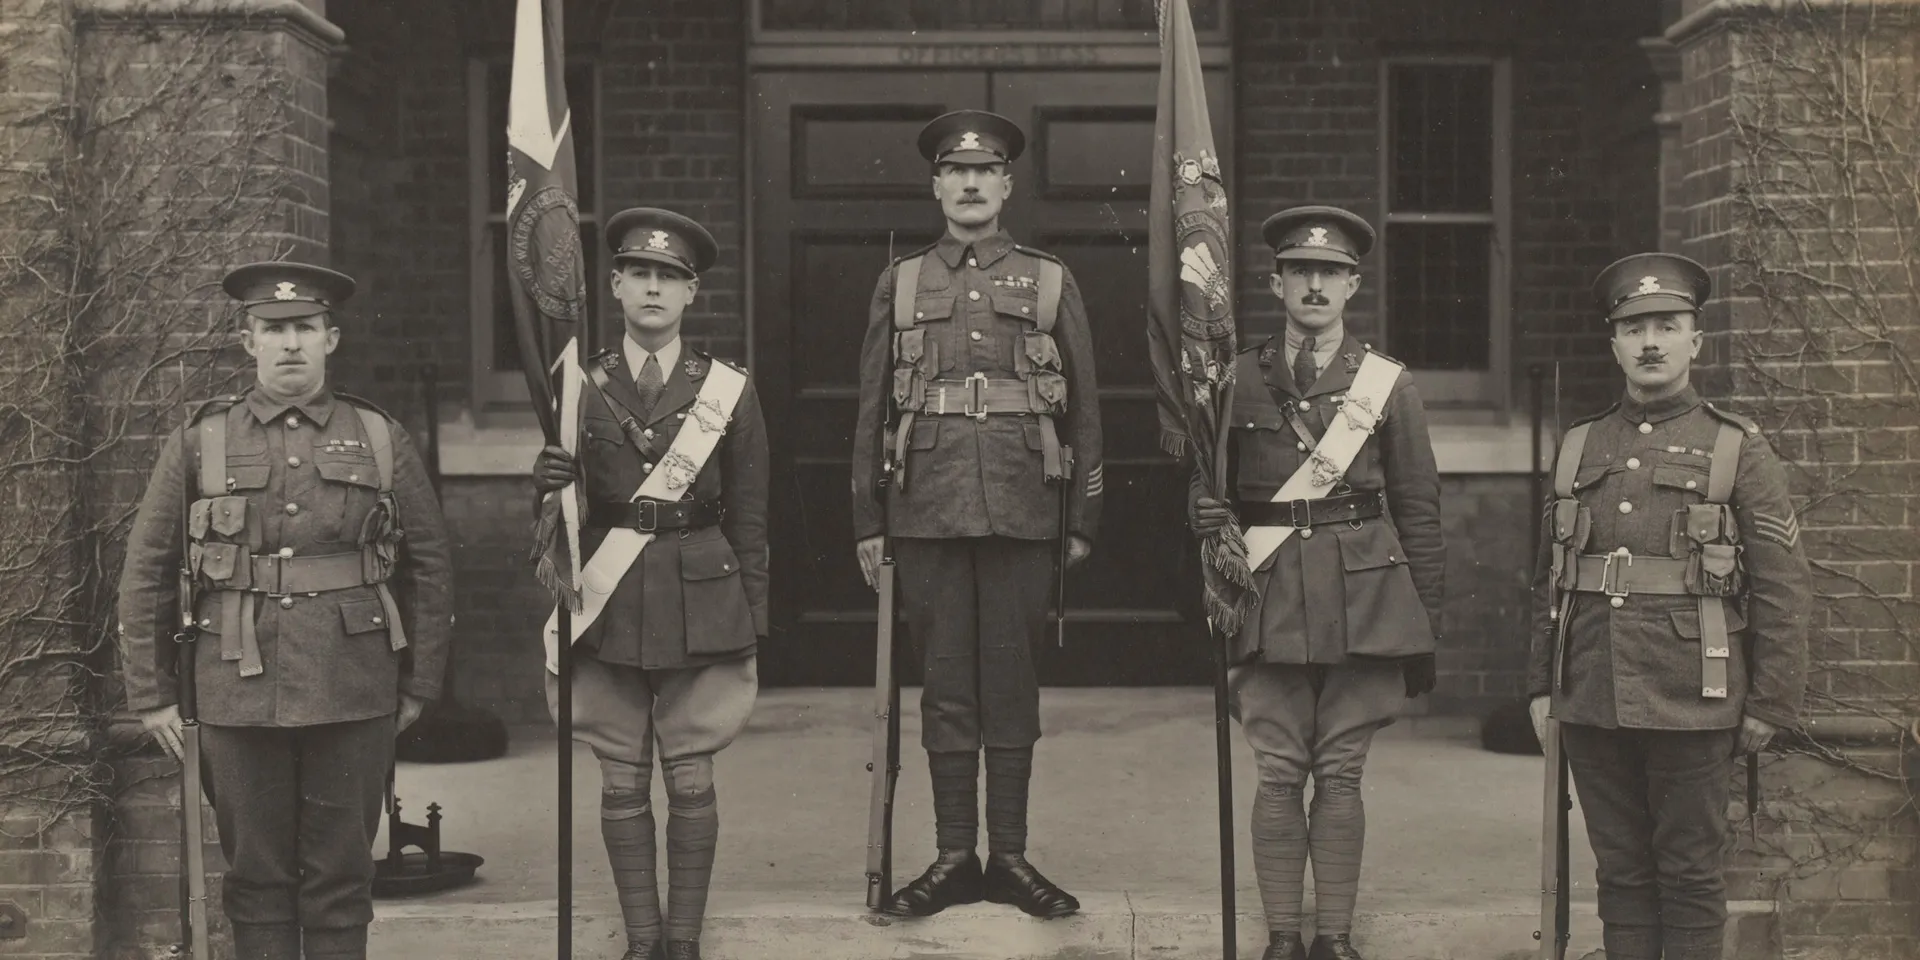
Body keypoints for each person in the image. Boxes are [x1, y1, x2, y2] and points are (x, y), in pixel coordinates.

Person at [116, 261, 453, 960]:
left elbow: (430, 566)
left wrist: (419, 683)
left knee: (341, 876)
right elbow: (147, 571)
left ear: (332, 337)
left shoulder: (379, 437)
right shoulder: (202, 442)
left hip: (353, 682)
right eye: (274, 329)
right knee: (256, 879)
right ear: (248, 342)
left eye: (305, 327)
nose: (290, 342)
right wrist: (151, 696)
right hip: (235, 692)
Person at [849, 109, 1104, 919]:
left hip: (1026, 506)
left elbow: (1088, 411)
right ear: (935, 186)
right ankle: (955, 856)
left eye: (983, 172)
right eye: (954, 173)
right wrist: (867, 518)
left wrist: (1082, 520)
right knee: (945, 686)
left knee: (1013, 687)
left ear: (1005, 185)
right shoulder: (903, 282)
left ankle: (1013, 859)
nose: (968, 184)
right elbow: (870, 410)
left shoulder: (1050, 279)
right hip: (925, 506)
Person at [1526, 252, 1811, 960]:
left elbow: (1782, 582)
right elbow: (1552, 579)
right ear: (1613, 343)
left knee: (1689, 873)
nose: (1650, 341)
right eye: (1634, 327)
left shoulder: (1734, 446)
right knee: (1619, 871)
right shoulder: (1578, 446)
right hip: (1591, 689)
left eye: (1667, 325)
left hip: (1695, 692)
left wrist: (1771, 701)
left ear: (1695, 340)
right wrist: (1541, 684)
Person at [1190, 206, 1445, 960]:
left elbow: (1420, 511)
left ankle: (1332, 936)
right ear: (1276, 282)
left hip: (1364, 596)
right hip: (1265, 597)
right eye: (1300, 270)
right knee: (1276, 770)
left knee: (1340, 771)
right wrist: (1201, 509)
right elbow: (1212, 492)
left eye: (1329, 272)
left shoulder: (1387, 386)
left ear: (1352, 286)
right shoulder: (1233, 380)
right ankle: (1282, 937)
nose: (1314, 284)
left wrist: (1423, 626)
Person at [531, 207, 769, 960]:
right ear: (616, 285)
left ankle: (684, 941)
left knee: (691, 770)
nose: (655, 289)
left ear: (693, 293)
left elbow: (753, 514)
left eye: (671, 277)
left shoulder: (725, 388)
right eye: (641, 274)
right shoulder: (578, 384)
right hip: (608, 597)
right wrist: (544, 484)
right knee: (621, 772)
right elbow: (553, 526)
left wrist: (753, 612)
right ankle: (642, 940)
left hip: (700, 588)